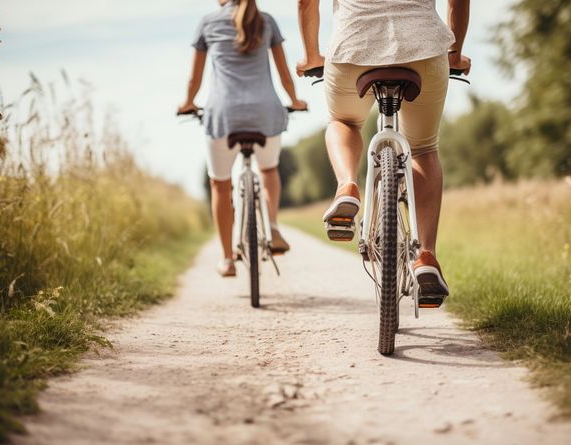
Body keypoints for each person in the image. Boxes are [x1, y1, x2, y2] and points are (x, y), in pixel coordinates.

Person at [295, 0, 471, 307]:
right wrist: (454, 54)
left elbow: (306, 2)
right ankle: (426, 255)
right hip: (424, 47)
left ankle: (347, 186)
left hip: (354, 46)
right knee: (423, 149)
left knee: (344, 121)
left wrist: (311, 54)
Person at [179, 0, 308, 277]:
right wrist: (295, 100)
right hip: (266, 114)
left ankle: (227, 258)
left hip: (223, 115)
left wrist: (188, 103)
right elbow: (284, 73)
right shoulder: (266, 20)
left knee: (220, 184)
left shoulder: (208, 23)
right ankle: (272, 227)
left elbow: (195, 78)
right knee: (269, 169)